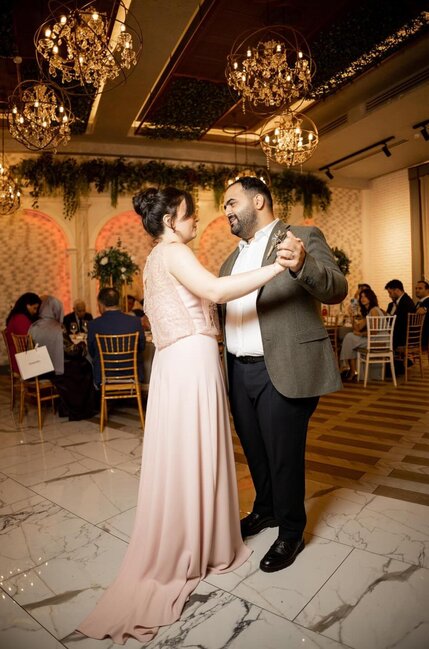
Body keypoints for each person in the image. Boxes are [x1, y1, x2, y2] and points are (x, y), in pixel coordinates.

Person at [78, 186, 290, 644]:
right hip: (191, 363)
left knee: (185, 455)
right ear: (170, 221)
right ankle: (200, 542)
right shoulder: (174, 253)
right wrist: (278, 266)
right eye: (190, 214)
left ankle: (195, 535)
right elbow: (215, 290)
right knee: (197, 452)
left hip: (177, 364)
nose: (196, 220)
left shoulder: (156, 257)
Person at [220, 177, 348, 574]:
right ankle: (266, 509)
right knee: (254, 450)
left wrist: (304, 264)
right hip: (238, 370)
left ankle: (291, 530)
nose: (226, 211)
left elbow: (337, 288)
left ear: (258, 201)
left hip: (283, 366)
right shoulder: (230, 260)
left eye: (231, 202)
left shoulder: (303, 237)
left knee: (283, 455)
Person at [29, 296, 96, 420]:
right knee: (85, 366)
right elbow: (71, 351)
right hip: (56, 371)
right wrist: (82, 345)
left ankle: (65, 405)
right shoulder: (58, 328)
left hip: (40, 369)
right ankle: (80, 408)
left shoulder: (33, 326)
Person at [87, 288, 146, 387]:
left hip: (104, 376)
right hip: (132, 373)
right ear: (119, 303)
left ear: (101, 304)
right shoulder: (135, 322)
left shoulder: (93, 325)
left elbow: (92, 352)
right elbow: (142, 347)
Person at [340, 288, 384, 381]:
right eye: (361, 297)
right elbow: (357, 328)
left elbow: (375, 332)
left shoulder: (374, 310)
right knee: (350, 338)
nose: (363, 299)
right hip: (372, 339)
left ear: (371, 298)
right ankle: (352, 371)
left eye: (365, 296)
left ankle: (350, 370)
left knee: (349, 338)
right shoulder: (369, 312)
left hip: (378, 341)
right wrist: (351, 316)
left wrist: (360, 334)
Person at [4, 292, 41, 373]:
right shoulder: (21, 319)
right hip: (23, 361)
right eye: (34, 308)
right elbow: (29, 340)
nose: (35, 312)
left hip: (18, 357)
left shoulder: (16, 316)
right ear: (27, 306)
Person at [385, 279, 416, 349]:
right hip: (399, 334)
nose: (389, 296)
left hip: (403, 338)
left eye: (390, 293)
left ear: (397, 290)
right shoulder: (394, 304)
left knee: (378, 338)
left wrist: (385, 315)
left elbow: (400, 322)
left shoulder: (406, 303)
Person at [415, 279, 429, 348]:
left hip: (425, 336)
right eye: (416, 288)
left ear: (427, 290)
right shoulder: (418, 303)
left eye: (420, 288)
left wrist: (426, 309)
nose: (417, 290)